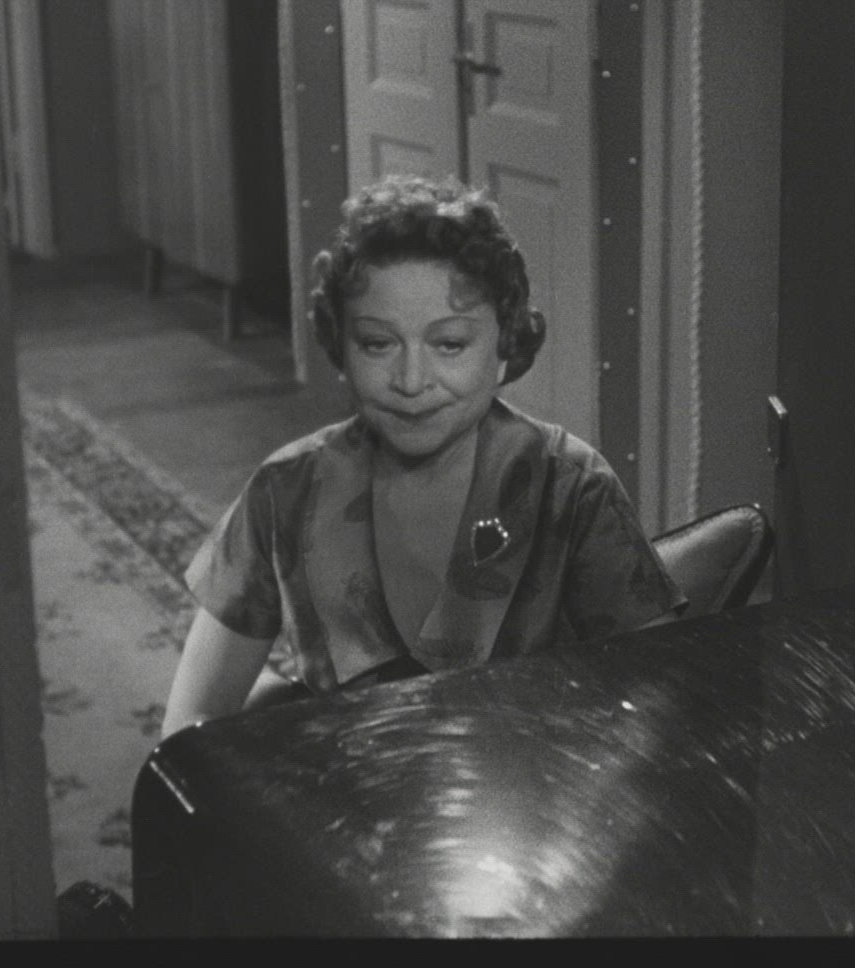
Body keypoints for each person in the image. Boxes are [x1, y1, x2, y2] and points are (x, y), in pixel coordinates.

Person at [162, 175, 685, 738]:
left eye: (450, 344)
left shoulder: (572, 488)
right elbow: (188, 731)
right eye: (377, 344)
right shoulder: (284, 492)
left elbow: (659, 722)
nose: (411, 381)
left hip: (537, 784)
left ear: (504, 347)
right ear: (341, 348)